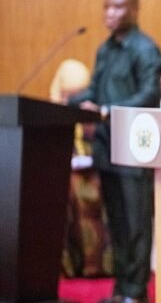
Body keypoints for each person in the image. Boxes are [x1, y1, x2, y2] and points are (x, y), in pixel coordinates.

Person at [69, 0, 161, 303]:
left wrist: (107, 111)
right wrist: (68, 103)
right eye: (107, 6)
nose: (109, 13)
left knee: (136, 223)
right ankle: (121, 290)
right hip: (107, 148)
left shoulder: (145, 49)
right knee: (118, 224)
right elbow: (94, 90)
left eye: (118, 7)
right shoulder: (105, 50)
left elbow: (149, 95)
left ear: (134, 11)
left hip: (136, 149)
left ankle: (136, 293)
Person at [50, 59, 112, 278]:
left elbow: (99, 144)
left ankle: (96, 265)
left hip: (93, 172)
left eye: (77, 93)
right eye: (67, 94)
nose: (72, 100)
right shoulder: (50, 113)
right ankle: (69, 264)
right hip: (63, 176)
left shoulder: (89, 111)